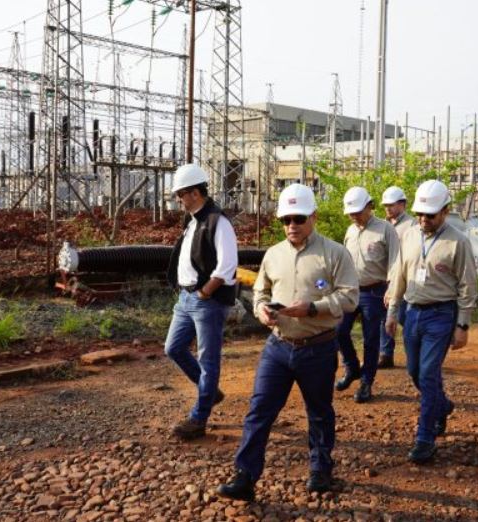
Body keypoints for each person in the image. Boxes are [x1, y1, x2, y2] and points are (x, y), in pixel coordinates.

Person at [216, 183, 359, 500]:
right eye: (286, 220)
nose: (291, 225)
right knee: (259, 411)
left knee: (319, 411)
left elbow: (350, 298)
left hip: (318, 347)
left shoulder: (335, 254)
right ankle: (245, 475)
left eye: (298, 218)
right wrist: (261, 310)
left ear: (313, 217)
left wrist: (313, 308)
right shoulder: (274, 254)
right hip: (278, 348)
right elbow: (260, 292)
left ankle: (320, 469)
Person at [385, 179, 478, 464]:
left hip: (441, 314)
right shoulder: (409, 236)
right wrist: (392, 312)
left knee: (427, 372)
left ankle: (425, 438)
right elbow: (399, 273)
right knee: (414, 371)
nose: (424, 220)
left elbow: (467, 286)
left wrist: (462, 326)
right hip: (411, 313)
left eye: (431, 215)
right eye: (421, 214)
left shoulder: (458, 241)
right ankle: (442, 405)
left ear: (446, 211)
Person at [163, 163, 238, 440]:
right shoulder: (193, 220)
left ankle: (199, 417)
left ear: (194, 192)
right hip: (186, 298)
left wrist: (206, 292)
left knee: (208, 360)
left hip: (206, 300)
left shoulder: (219, 221)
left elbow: (227, 265)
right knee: (173, 348)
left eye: (180, 194)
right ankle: (210, 392)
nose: (179, 200)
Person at [335, 186, 399, 403]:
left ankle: (366, 382)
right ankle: (352, 368)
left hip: (375, 292)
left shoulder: (385, 230)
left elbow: (395, 263)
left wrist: (392, 290)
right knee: (338, 330)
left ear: (370, 207)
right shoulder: (350, 231)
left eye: (357, 212)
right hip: (351, 291)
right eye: (351, 213)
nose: (354, 216)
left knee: (371, 339)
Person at [378, 185, 417, 369]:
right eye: (385, 205)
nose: (387, 208)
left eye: (391, 205)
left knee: (403, 317)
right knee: (386, 316)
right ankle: (386, 354)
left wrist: (395, 284)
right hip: (387, 278)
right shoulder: (384, 225)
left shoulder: (412, 225)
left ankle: (415, 353)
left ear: (402, 204)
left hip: (406, 280)